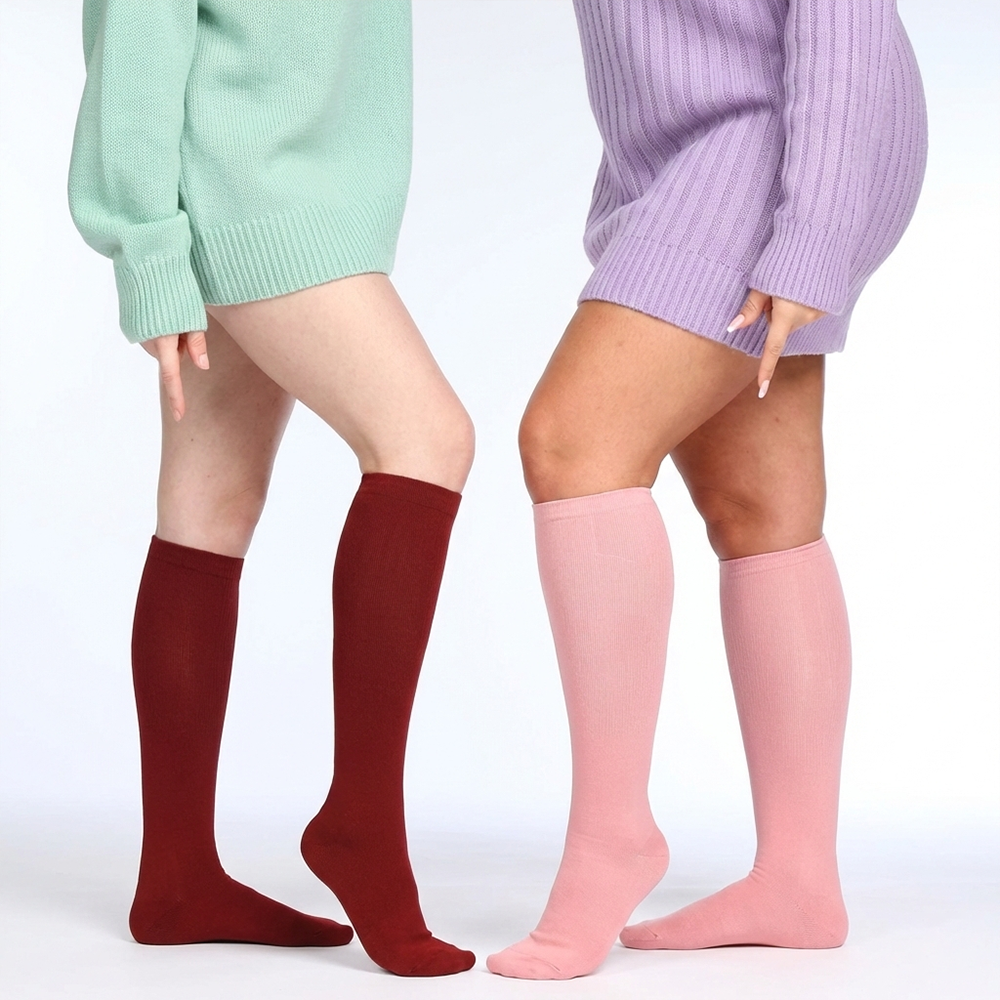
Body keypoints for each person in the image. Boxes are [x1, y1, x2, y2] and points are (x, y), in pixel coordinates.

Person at [487, 0, 927, 980]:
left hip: (782, 130)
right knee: (755, 507)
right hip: (677, 143)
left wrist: (814, 229)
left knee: (572, 441)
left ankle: (612, 833)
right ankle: (798, 879)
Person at [68, 0, 475, 978]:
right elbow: (137, 32)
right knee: (426, 439)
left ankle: (176, 877)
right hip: (246, 189)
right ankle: (360, 826)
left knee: (209, 508)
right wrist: (149, 248)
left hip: (302, 189)